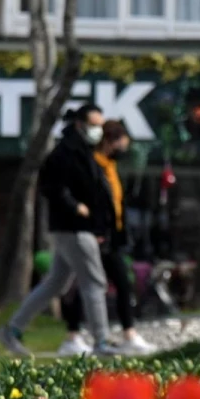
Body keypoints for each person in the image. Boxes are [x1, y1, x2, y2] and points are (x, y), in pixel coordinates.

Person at [0, 104, 116, 357]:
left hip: (74, 227)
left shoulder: (82, 151)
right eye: (94, 125)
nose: (98, 131)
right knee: (94, 282)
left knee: (55, 283)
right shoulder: (65, 153)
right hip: (74, 227)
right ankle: (101, 342)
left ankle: (13, 329)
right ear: (80, 125)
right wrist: (76, 208)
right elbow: (53, 188)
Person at [57, 120, 157, 356]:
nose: (125, 148)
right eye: (122, 143)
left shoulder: (108, 166)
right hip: (99, 236)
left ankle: (75, 336)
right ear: (110, 141)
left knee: (94, 284)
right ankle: (124, 334)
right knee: (116, 283)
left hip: (110, 236)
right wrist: (96, 230)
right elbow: (92, 202)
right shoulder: (93, 166)